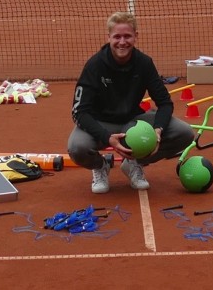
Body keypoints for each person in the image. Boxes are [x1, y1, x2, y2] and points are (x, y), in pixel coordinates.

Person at [69, 12, 196, 193]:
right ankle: (100, 166)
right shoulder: (95, 65)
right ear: (109, 38)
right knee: (77, 148)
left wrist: (158, 129)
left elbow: (165, 103)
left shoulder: (144, 63)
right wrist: (107, 138)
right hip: (101, 123)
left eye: (127, 36)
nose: (122, 42)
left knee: (184, 133)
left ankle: (134, 163)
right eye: (117, 37)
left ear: (136, 36)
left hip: (133, 122)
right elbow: (79, 112)